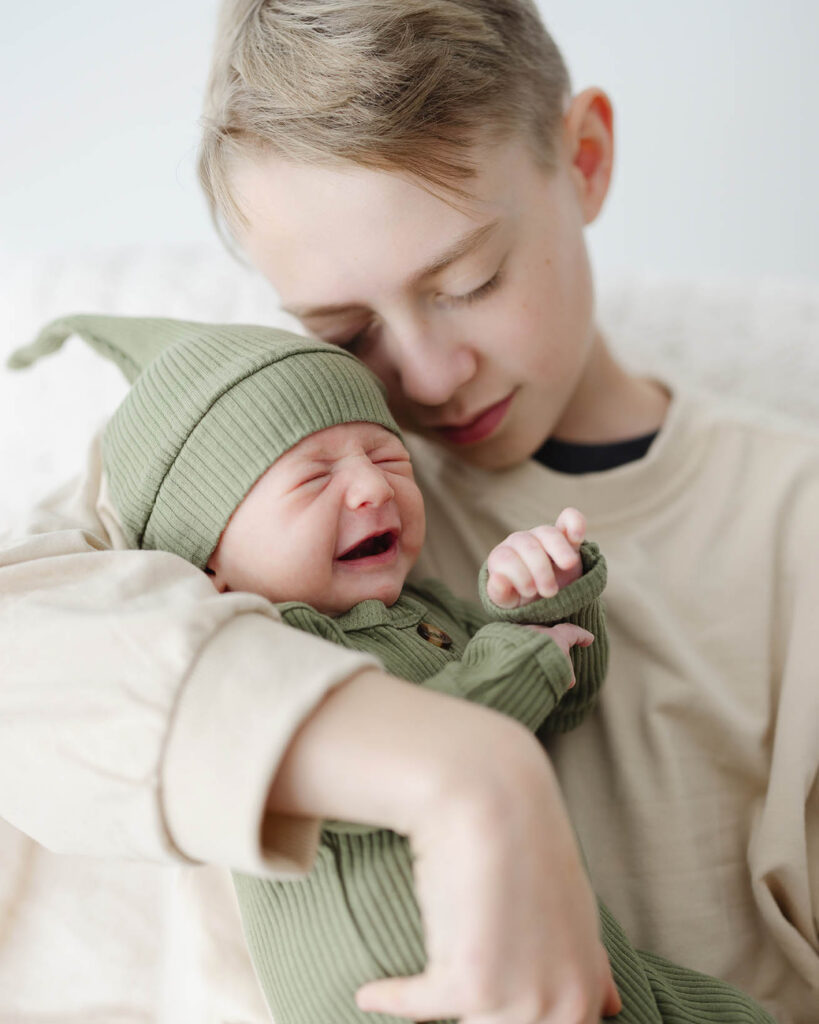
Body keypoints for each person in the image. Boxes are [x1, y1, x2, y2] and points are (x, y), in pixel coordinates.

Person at [1, 2, 817, 1021]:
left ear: (586, 160)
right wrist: (463, 770)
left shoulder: (791, 523)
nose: (425, 380)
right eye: (344, 329)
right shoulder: (243, 458)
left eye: (470, 282)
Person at [12, 311, 777, 1024]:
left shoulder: (430, 611)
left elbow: (563, 700)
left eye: (388, 457)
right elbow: (397, 764)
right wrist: (521, 657)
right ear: (207, 558)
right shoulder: (266, 645)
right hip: (403, 991)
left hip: (568, 956)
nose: (374, 487)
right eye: (314, 478)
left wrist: (547, 602)